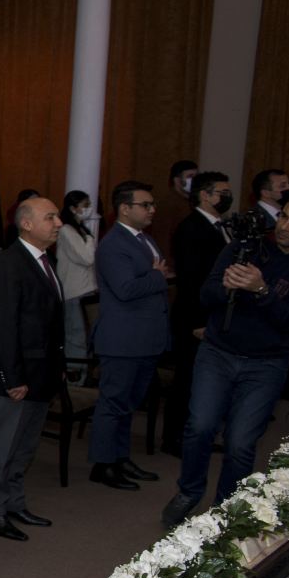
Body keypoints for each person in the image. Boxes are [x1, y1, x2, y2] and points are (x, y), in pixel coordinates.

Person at [162, 192, 289, 527]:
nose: (285, 226)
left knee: (241, 442)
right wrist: (227, 287)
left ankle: (225, 510)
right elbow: (206, 295)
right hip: (218, 351)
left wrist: (261, 291)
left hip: (267, 363)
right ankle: (189, 490)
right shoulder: (245, 246)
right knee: (199, 427)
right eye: (285, 216)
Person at [0, 199, 64, 541]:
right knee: (3, 445)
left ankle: (13, 502)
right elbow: (3, 327)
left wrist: (57, 368)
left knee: (25, 446)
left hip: (42, 372)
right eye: (50, 217)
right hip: (17, 376)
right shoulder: (10, 263)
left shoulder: (45, 260)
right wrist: (12, 378)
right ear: (26, 224)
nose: (58, 223)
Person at [88, 181, 169, 492]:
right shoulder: (113, 245)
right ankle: (103, 465)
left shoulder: (144, 239)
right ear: (124, 208)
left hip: (144, 338)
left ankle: (120, 458)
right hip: (122, 339)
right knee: (113, 404)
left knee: (128, 404)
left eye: (152, 205)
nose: (152, 210)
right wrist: (156, 276)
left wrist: (154, 277)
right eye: (145, 205)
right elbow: (125, 289)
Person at [162, 172, 232, 456]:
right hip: (194, 317)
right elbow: (192, 280)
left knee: (202, 381)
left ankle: (194, 434)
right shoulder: (192, 227)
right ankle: (175, 438)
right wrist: (200, 322)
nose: (227, 197)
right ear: (205, 194)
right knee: (186, 380)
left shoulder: (218, 226)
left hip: (212, 315)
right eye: (222, 192)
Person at [55, 191, 99, 381]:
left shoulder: (80, 229)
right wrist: (91, 239)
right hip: (73, 292)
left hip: (87, 290)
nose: (88, 209)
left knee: (86, 338)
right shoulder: (66, 230)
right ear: (73, 208)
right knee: (76, 338)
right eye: (85, 205)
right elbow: (87, 258)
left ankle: (82, 377)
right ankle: (74, 381)